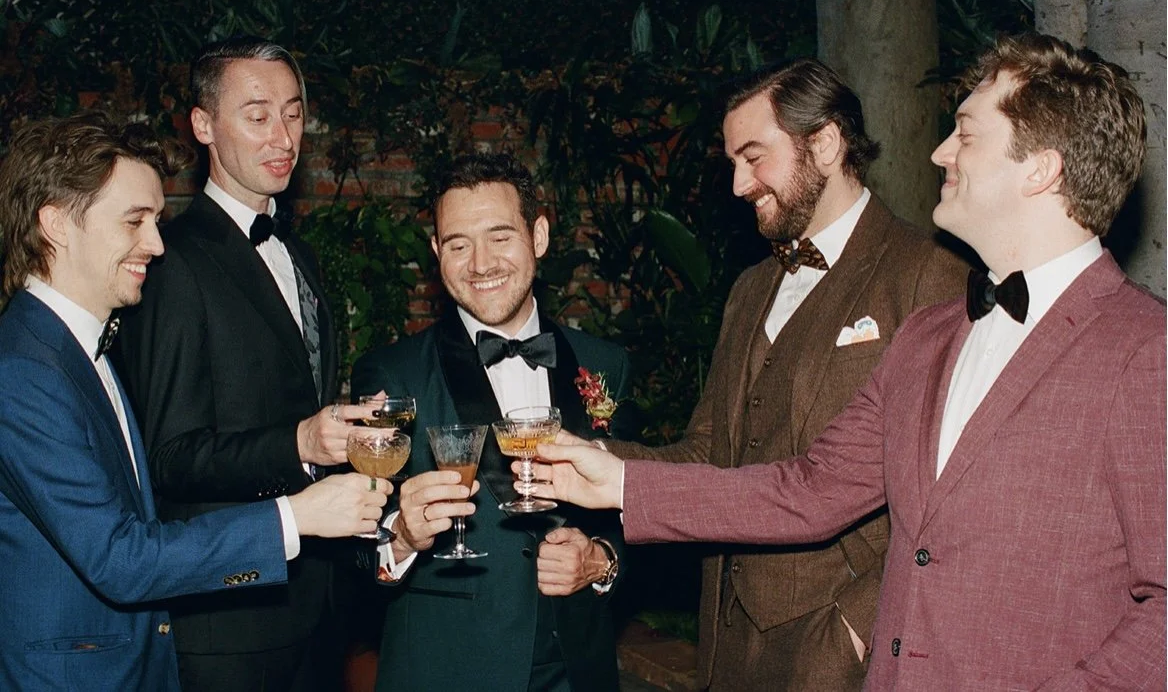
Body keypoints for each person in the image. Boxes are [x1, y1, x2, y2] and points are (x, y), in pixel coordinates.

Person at [529, 32, 1165, 690]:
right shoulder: (929, 337)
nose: (938, 151)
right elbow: (809, 493)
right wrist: (614, 481)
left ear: (1041, 168)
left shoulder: (1146, 353)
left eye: (966, 136)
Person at [587, 58, 965, 690]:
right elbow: (711, 451)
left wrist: (854, 632)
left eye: (754, 157)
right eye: (733, 162)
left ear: (825, 142)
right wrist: (590, 456)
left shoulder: (927, 273)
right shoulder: (750, 287)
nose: (738, 184)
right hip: (729, 647)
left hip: (845, 654)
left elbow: (945, 503)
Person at [0, 111, 390, 692]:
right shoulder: (23, 372)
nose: (156, 244)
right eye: (134, 221)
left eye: (156, 220)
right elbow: (120, 559)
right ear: (55, 224)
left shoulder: (79, 348)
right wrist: (297, 516)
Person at [115, 37, 361, 691]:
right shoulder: (173, 262)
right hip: (228, 626)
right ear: (203, 126)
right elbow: (169, 455)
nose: (282, 135)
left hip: (313, 609)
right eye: (257, 115)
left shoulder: (297, 251)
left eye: (293, 112)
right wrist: (299, 442)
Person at [350, 151, 631, 692]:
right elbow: (350, 556)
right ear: (437, 252)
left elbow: (642, 510)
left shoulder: (606, 366)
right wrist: (401, 536)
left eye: (500, 236)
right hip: (448, 671)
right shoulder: (391, 373)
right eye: (458, 244)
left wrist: (602, 560)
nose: (481, 263)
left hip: (579, 672)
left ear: (539, 236)